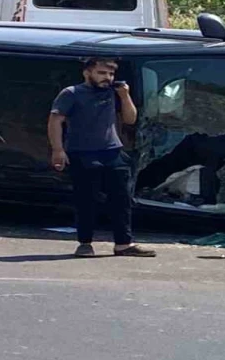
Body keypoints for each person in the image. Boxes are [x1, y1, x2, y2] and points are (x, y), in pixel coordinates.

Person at [48, 57, 156, 258]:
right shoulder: (71, 93)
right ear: (87, 73)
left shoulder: (113, 93)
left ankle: (123, 244)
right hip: (82, 152)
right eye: (102, 73)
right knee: (86, 200)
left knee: (121, 200)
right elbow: (56, 120)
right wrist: (58, 149)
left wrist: (124, 96)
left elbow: (130, 118)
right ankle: (85, 243)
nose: (107, 78)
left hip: (112, 151)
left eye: (111, 74)